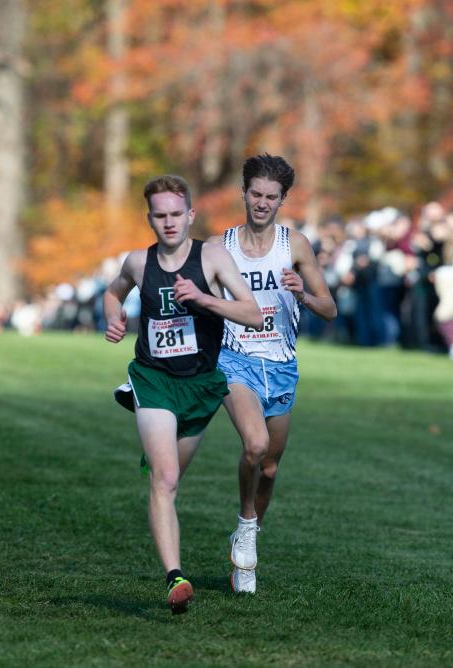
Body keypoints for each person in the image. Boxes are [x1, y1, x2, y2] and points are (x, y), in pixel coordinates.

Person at [103, 174, 262, 614]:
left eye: (177, 214)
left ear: (190, 214)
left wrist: (203, 299)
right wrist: (113, 318)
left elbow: (252, 314)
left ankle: (155, 461)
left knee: (172, 477)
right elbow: (112, 293)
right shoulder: (138, 262)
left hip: (200, 384)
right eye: (160, 215)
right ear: (149, 218)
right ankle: (175, 577)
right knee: (166, 478)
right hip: (154, 379)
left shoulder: (212, 257)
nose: (169, 222)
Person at [207, 154, 337, 594]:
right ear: (244, 193)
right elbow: (203, 307)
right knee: (255, 444)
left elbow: (330, 308)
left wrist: (302, 294)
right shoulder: (218, 246)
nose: (262, 203)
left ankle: (249, 538)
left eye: (271, 197)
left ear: (283, 200)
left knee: (270, 467)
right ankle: (245, 529)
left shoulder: (295, 245)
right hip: (235, 359)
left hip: (281, 364)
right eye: (255, 194)